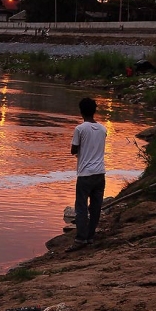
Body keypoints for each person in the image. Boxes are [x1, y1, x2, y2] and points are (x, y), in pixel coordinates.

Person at [68, 96, 107, 251]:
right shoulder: (103, 129)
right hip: (100, 173)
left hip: (85, 175)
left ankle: (81, 238)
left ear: (81, 111)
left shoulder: (80, 129)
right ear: (94, 111)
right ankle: (90, 236)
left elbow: (73, 150)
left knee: (81, 207)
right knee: (96, 207)